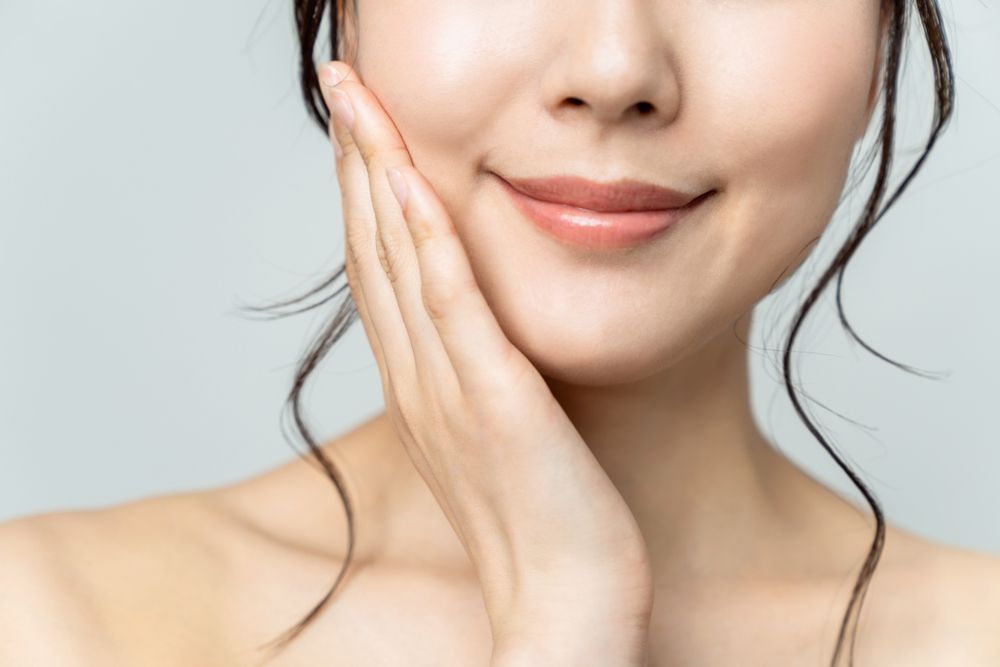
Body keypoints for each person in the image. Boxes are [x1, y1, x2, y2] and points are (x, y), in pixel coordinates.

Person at [2, 0, 998, 665]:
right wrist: (563, 617)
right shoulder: (51, 622)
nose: (614, 71)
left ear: (885, 41)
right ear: (345, 14)